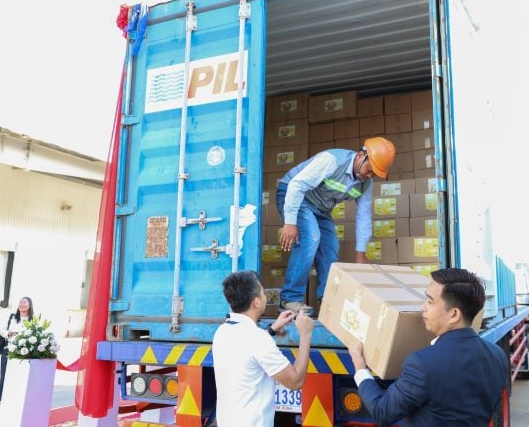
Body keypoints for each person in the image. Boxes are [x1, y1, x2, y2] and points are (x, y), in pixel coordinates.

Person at [348, 268, 509, 426]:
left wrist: (361, 369)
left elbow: (382, 412)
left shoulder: (422, 363)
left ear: (454, 314)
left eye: (430, 301)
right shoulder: (497, 355)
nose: (422, 308)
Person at [277, 137, 396, 314]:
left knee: (331, 247)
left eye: (374, 174)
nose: (369, 176)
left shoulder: (366, 183)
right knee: (311, 237)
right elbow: (296, 185)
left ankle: (328, 299)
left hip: (320, 209)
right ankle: (290, 299)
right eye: (370, 169)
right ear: (360, 156)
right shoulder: (332, 161)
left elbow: (364, 215)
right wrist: (290, 223)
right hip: (294, 195)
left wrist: (360, 252)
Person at [212, 270, 314, 427]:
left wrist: (273, 328)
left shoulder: (223, 331)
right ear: (256, 302)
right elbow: (295, 381)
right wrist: (305, 334)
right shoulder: (258, 339)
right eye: (263, 292)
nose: (265, 296)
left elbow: (247, 346)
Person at [0, 296, 34, 409]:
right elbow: (1, 330)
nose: (22, 304)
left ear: (30, 305)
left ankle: (15, 401)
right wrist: (8, 333)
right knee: (4, 376)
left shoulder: (32, 320)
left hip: (24, 353)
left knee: (19, 378)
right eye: (20, 302)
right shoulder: (12, 317)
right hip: (8, 350)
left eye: (25, 302)